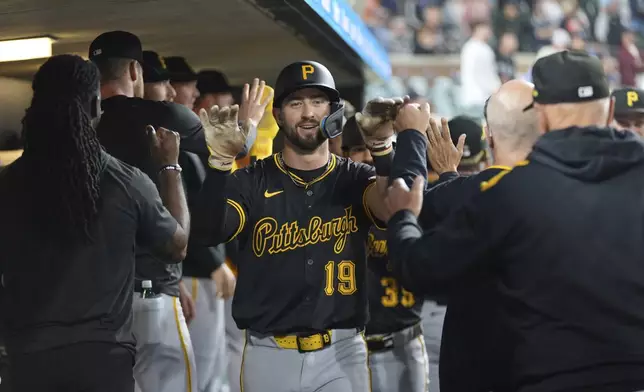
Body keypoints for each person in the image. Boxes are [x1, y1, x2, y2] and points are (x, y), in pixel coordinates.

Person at [386, 50, 644, 392]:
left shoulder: (512, 192)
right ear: (610, 110)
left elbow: (419, 270)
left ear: (542, 118)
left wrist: (403, 216)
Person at [192, 60, 430, 392]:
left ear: (332, 110)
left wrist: (382, 151)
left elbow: (392, 206)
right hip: (268, 352)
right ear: (277, 115)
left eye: (318, 102)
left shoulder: (355, 176)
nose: (308, 112)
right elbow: (207, 231)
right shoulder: (251, 180)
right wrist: (218, 165)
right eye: (295, 102)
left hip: (342, 350)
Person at [0, 54, 188, 392]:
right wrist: (169, 168)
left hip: (26, 358)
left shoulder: (7, 183)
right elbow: (176, 246)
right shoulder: (125, 181)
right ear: (94, 105)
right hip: (102, 361)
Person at [89, 30, 235, 392]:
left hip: (99, 298)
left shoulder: (79, 125)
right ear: (135, 71)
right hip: (154, 292)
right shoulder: (165, 118)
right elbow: (229, 145)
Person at [340, 115, 429, 392]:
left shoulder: (409, 201)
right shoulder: (331, 202)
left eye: (374, 147)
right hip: (347, 348)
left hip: (404, 340)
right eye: (358, 148)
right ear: (344, 153)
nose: (366, 155)